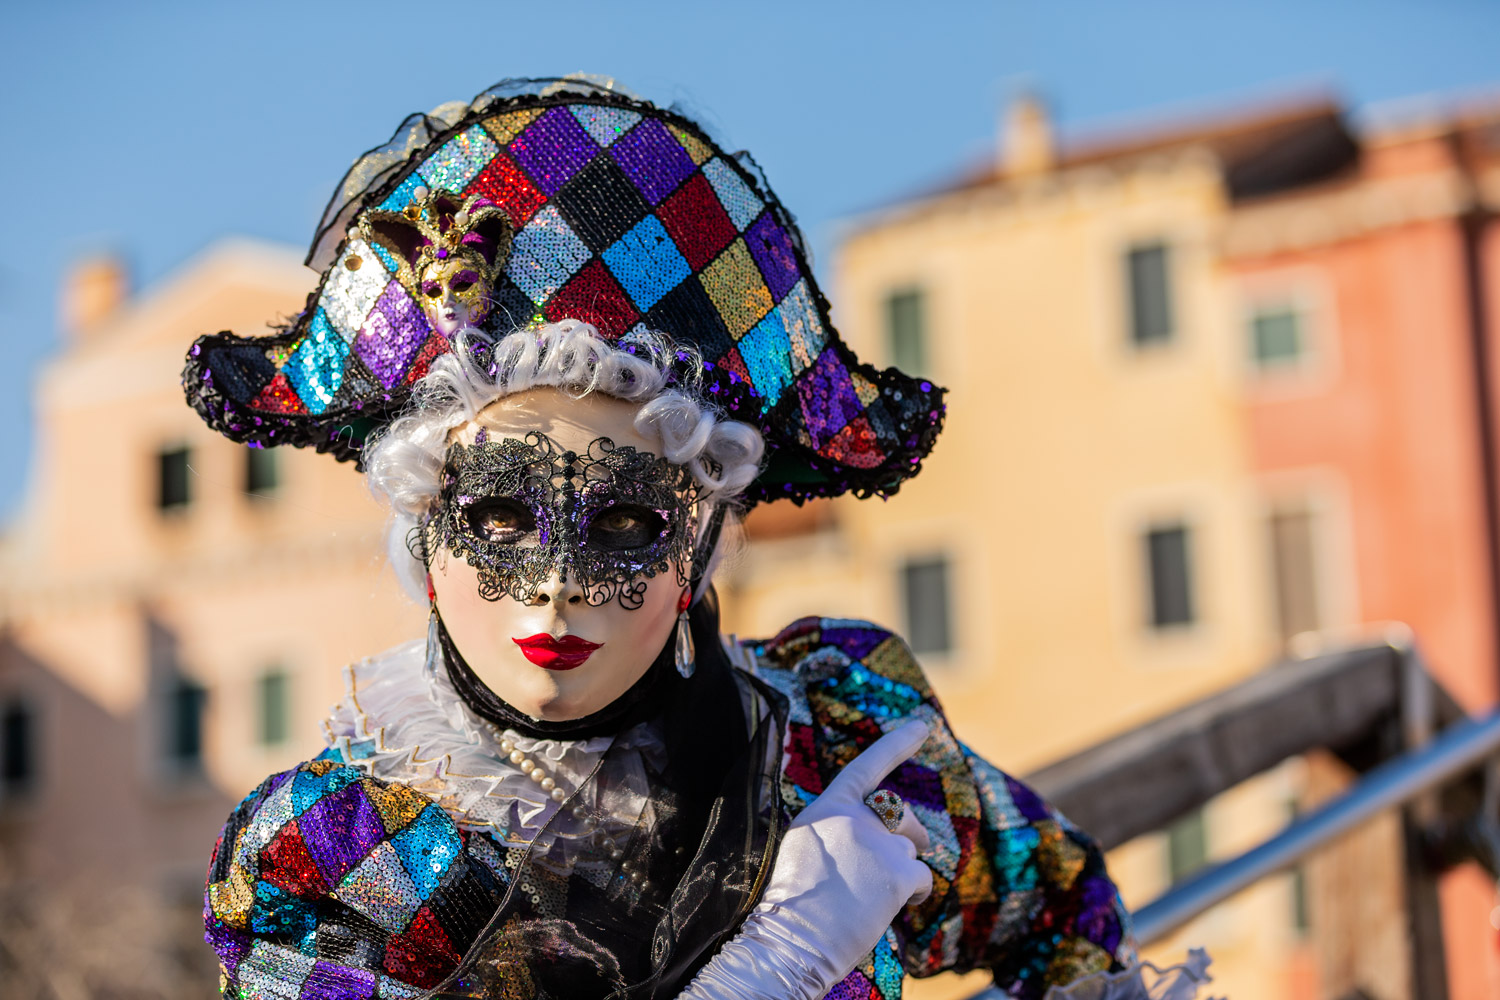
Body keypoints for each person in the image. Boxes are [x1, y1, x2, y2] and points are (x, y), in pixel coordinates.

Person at [187, 78, 1212, 1000]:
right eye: (499, 516)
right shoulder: (337, 855)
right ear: (425, 526)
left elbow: (1070, 916)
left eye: (625, 525)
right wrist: (769, 971)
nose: (552, 590)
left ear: (703, 537)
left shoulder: (844, 749)